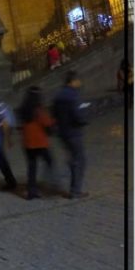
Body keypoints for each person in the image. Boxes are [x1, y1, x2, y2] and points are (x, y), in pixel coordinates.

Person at [52, 70, 89, 199]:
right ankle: (75, 191)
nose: (80, 82)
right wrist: (83, 120)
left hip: (62, 133)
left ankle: (74, 188)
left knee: (74, 158)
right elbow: (77, 114)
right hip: (73, 132)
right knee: (80, 160)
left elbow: (54, 114)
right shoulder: (73, 95)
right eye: (78, 80)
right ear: (72, 82)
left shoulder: (58, 96)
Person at [17, 86, 54, 200]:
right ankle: (49, 184)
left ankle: (31, 191)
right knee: (49, 161)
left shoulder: (23, 110)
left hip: (28, 143)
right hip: (39, 142)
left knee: (32, 167)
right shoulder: (38, 110)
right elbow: (47, 123)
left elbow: (20, 127)